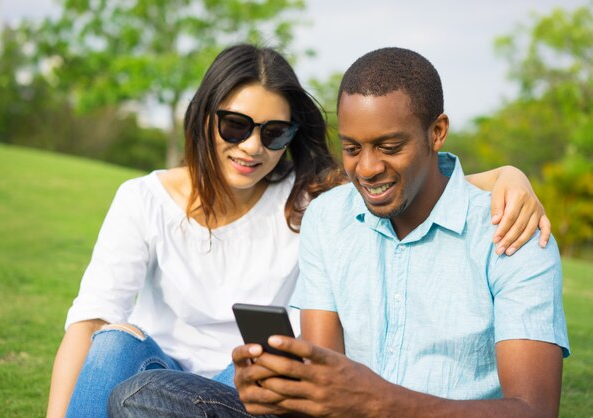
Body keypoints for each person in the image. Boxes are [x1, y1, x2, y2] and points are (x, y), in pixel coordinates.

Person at [47, 44, 550, 418]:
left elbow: (412, 179)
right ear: (205, 118)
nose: (252, 147)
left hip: (249, 378)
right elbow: (88, 321)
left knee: (149, 399)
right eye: (235, 126)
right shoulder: (148, 200)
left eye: (274, 133)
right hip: (173, 373)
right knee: (121, 360)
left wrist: (505, 177)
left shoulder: (309, 199)